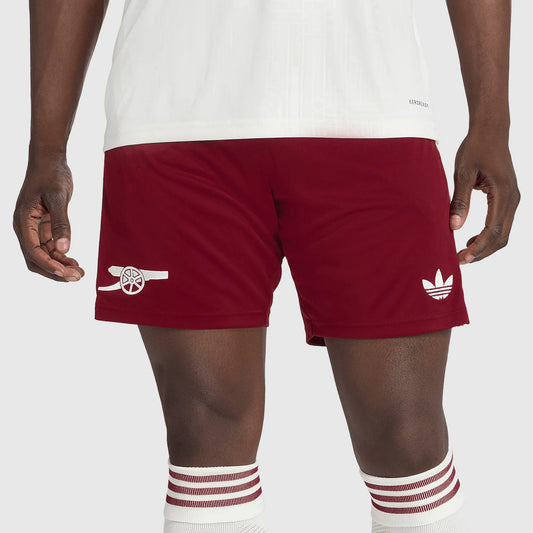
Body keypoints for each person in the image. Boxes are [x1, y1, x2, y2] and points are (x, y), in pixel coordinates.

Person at [13, 1, 520, 532]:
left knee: (406, 437)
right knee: (205, 437)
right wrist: (47, 148)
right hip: (171, 118)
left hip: (373, 112)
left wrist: (492, 122)